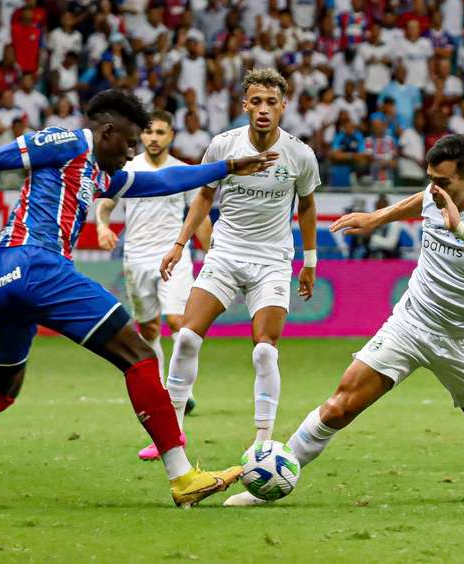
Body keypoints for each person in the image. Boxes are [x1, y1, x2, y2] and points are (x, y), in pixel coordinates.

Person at [0, 89, 278, 509]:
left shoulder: (100, 176)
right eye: (127, 143)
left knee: (1, 388)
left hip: (0, 277)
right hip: (39, 265)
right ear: (106, 131)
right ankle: (183, 477)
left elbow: (161, 181)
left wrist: (227, 167)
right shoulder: (68, 142)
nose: (130, 153)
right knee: (140, 355)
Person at [227, 135, 464, 507]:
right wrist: (376, 218)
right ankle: (270, 484)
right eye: (430, 179)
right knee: (340, 405)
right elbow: (419, 200)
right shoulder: (436, 193)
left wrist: (462, 230)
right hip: (412, 322)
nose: (434, 190)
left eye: (443, 182)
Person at [159, 70, 319, 506]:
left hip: (271, 261)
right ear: (244, 105)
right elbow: (204, 197)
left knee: (264, 348)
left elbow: (306, 206)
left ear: (283, 106)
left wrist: (309, 260)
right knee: (187, 337)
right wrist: (179, 244)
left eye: (271, 101)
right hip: (225, 254)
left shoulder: (300, 155)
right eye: (256, 101)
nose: (263, 108)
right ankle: (170, 434)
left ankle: (262, 445)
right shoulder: (224, 145)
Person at [96, 110, 212, 460]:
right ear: (141, 136)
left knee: (179, 323)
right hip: (136, 261)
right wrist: (103, 226)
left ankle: (178, 396)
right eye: (149, 132)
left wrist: (211, 256)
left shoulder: (182, 172)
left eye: (160, 132)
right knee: (148, 331)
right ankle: (165, 391)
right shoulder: (128, 170)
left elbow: (200, 218)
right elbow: (104, 203)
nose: (154, 138)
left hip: (173, 258)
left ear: (171, 136)